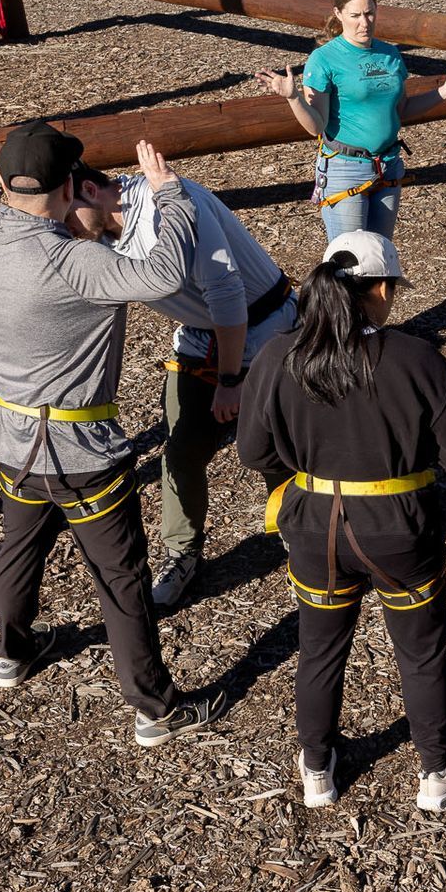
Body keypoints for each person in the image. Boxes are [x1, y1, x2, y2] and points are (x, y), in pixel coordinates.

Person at [0, 123, 211, 748]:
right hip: (81, 456)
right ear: (68, 186)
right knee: (122, 579)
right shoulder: (74, 262)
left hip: (11, 442)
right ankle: (155, 709)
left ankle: (13, 653)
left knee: (19, 548)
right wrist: (170, 196)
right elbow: (164, 273)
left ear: (8, 184)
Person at [237, 230, 446, 813]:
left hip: (314, 524)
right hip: (399, 526)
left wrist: (302, 463)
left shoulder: (279, 355)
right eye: (393, 288)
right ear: (378, 288)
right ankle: (435, 771)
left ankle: (316, 770)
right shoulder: (415, 358)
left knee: (319, 647)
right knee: (420, 651)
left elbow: (253, 452)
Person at [67, 164, 298, 606]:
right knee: (181, 453)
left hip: (267, 332)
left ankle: (300, 537)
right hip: (198, 342)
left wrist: (230, 381)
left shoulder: (166, 203)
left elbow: (227, 294)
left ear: (92, 191)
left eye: (66, 211)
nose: (61, 226)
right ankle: (182, 553)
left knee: (276, 448)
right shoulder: (94, 233)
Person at [256, 0, 446, 240]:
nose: (364, 23)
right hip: (345, 169)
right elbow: (316, 126)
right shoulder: (324, 59)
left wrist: (444, 92)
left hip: (388, 165)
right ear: (338, 15)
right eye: (355, 15)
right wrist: (293, 97)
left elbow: (402, 110)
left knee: (379, 253)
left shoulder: (390, 55)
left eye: (369, 13)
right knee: (349, 261)